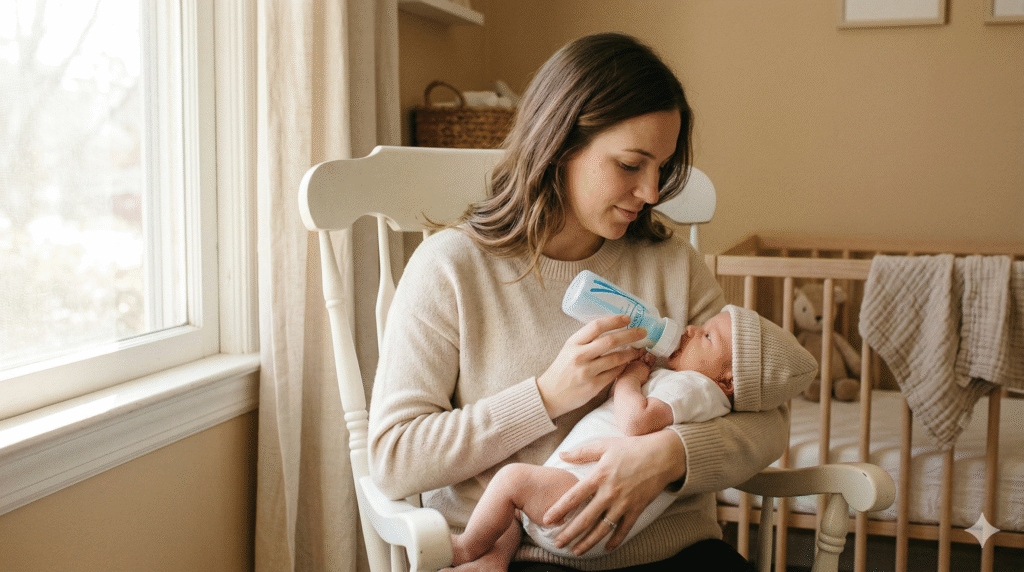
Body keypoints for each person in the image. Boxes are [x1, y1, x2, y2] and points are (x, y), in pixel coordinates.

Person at [369, 32, 812, 572]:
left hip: (676, 550)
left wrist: (666, 458)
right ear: (559, 146)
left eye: (661, 168)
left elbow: (767, 418)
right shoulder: (451, 269)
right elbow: (394, 458)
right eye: (630, 165)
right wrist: (547, 396)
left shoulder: (669, 263)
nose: (651, 192)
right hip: (524, 554)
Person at [448, 306, 817, 563]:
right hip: (584, 512)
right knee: (514, 495)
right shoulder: (692, 390)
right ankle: (492, 556)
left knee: (512, 480)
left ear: (729, 381)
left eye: (706, 336)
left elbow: (635, 423)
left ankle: (467, 547)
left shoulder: (693, 388)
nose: (689, 329)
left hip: (584, 503)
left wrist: (630, 379)